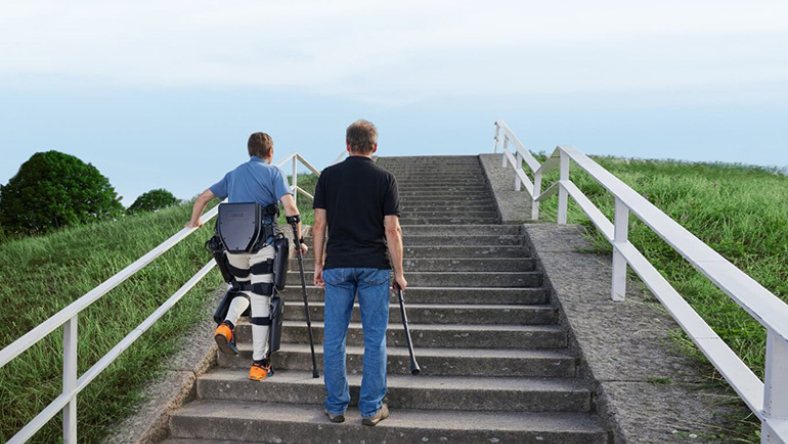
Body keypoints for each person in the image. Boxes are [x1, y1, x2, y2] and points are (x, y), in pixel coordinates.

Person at [186, 132, 307, 381]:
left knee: (244, 288)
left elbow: (203, 197)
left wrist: (194, 221)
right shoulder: (274, 173)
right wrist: (300, 241)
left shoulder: (234, 174)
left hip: (232, 247)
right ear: (270, 152)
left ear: (250, 151)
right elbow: (290, 209)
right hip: (262, 245)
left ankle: (227, 325)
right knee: (261, 300)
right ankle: (259, 364)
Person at [312, 119, 406, 426]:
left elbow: (318, 225)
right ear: (375, 146)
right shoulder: (385, 179)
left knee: (334, 338)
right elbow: (391, 229)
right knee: (374, 339)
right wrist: (400, 272)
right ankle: (371, 409)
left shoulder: (328, 176)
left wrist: (318, 264)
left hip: (337, 264)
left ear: (347, 144)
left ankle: (336, 406)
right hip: (374, 266)